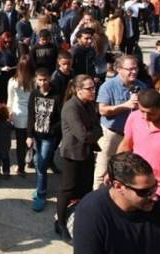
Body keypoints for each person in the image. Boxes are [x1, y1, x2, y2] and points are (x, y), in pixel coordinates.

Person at [73, 152, 160, 254]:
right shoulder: (91, 212)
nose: (154, 197)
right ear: (118, 186)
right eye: (144, 192)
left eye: (155, 187)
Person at [56, 74, 102, 241]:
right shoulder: (71, 107)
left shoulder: (89, 104)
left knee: (85, 189)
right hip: (72, 155)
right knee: (67, 189)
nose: (93, 91)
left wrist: (94, 132)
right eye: (89, 88)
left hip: (87, 153)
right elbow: (83, 135)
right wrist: (94, 132)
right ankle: (60, 223)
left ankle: (79, 219)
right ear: (78, 90)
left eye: (94, 87)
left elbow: (98, 128)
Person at [117, 89, 160, 197]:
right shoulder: (134, 117)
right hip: (136, 185)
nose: (145, 117)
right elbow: (126, 145)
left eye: (151, 114)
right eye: (142, 111)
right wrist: (115, 171)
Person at [93, 55, 145, 188]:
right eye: (130, 69)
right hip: (112, 135)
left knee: (126, 172)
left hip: (132, 137)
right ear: (119, 69)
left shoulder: (141, 86)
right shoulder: (108, 86)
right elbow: (102, 110)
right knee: (103, 171)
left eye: (136, 68)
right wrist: (126, 106)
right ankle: (98, 197)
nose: (134, 71)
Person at [26, 68, 62, 212]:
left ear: (49, 79)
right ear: (36, 80)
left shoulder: (57, 94)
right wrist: (29, 135)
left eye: (45, 79)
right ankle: (40, 187)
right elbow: (31, 115)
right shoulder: (34, 94)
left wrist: (52, 130)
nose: (42, 83)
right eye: (40, 80)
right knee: (37, 161)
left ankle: (41, 195)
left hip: (49, 137)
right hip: (36, 135)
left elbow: (61, 117)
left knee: (41, 165)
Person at [7, 55, 34, 177]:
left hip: (18, 115)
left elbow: (10, 100)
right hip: (31, 114)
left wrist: (9, 114)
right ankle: (30, 159)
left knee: (20, 143)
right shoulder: (35, 81)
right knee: (31, 139)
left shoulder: (12, 81)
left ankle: (21, 167)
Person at [0, 32, 17, 103]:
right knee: (2, 98)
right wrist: (2, 68)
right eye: (5, 42)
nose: (8, 44)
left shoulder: (13, 50)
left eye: (10, 42)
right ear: (2, 41)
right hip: (1, 79)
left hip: (11, 77)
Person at [0, 105, 14, 178]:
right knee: (6, 159)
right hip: (6, 145)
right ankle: (6, 172)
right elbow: (12, 128)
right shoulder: (8, 124)